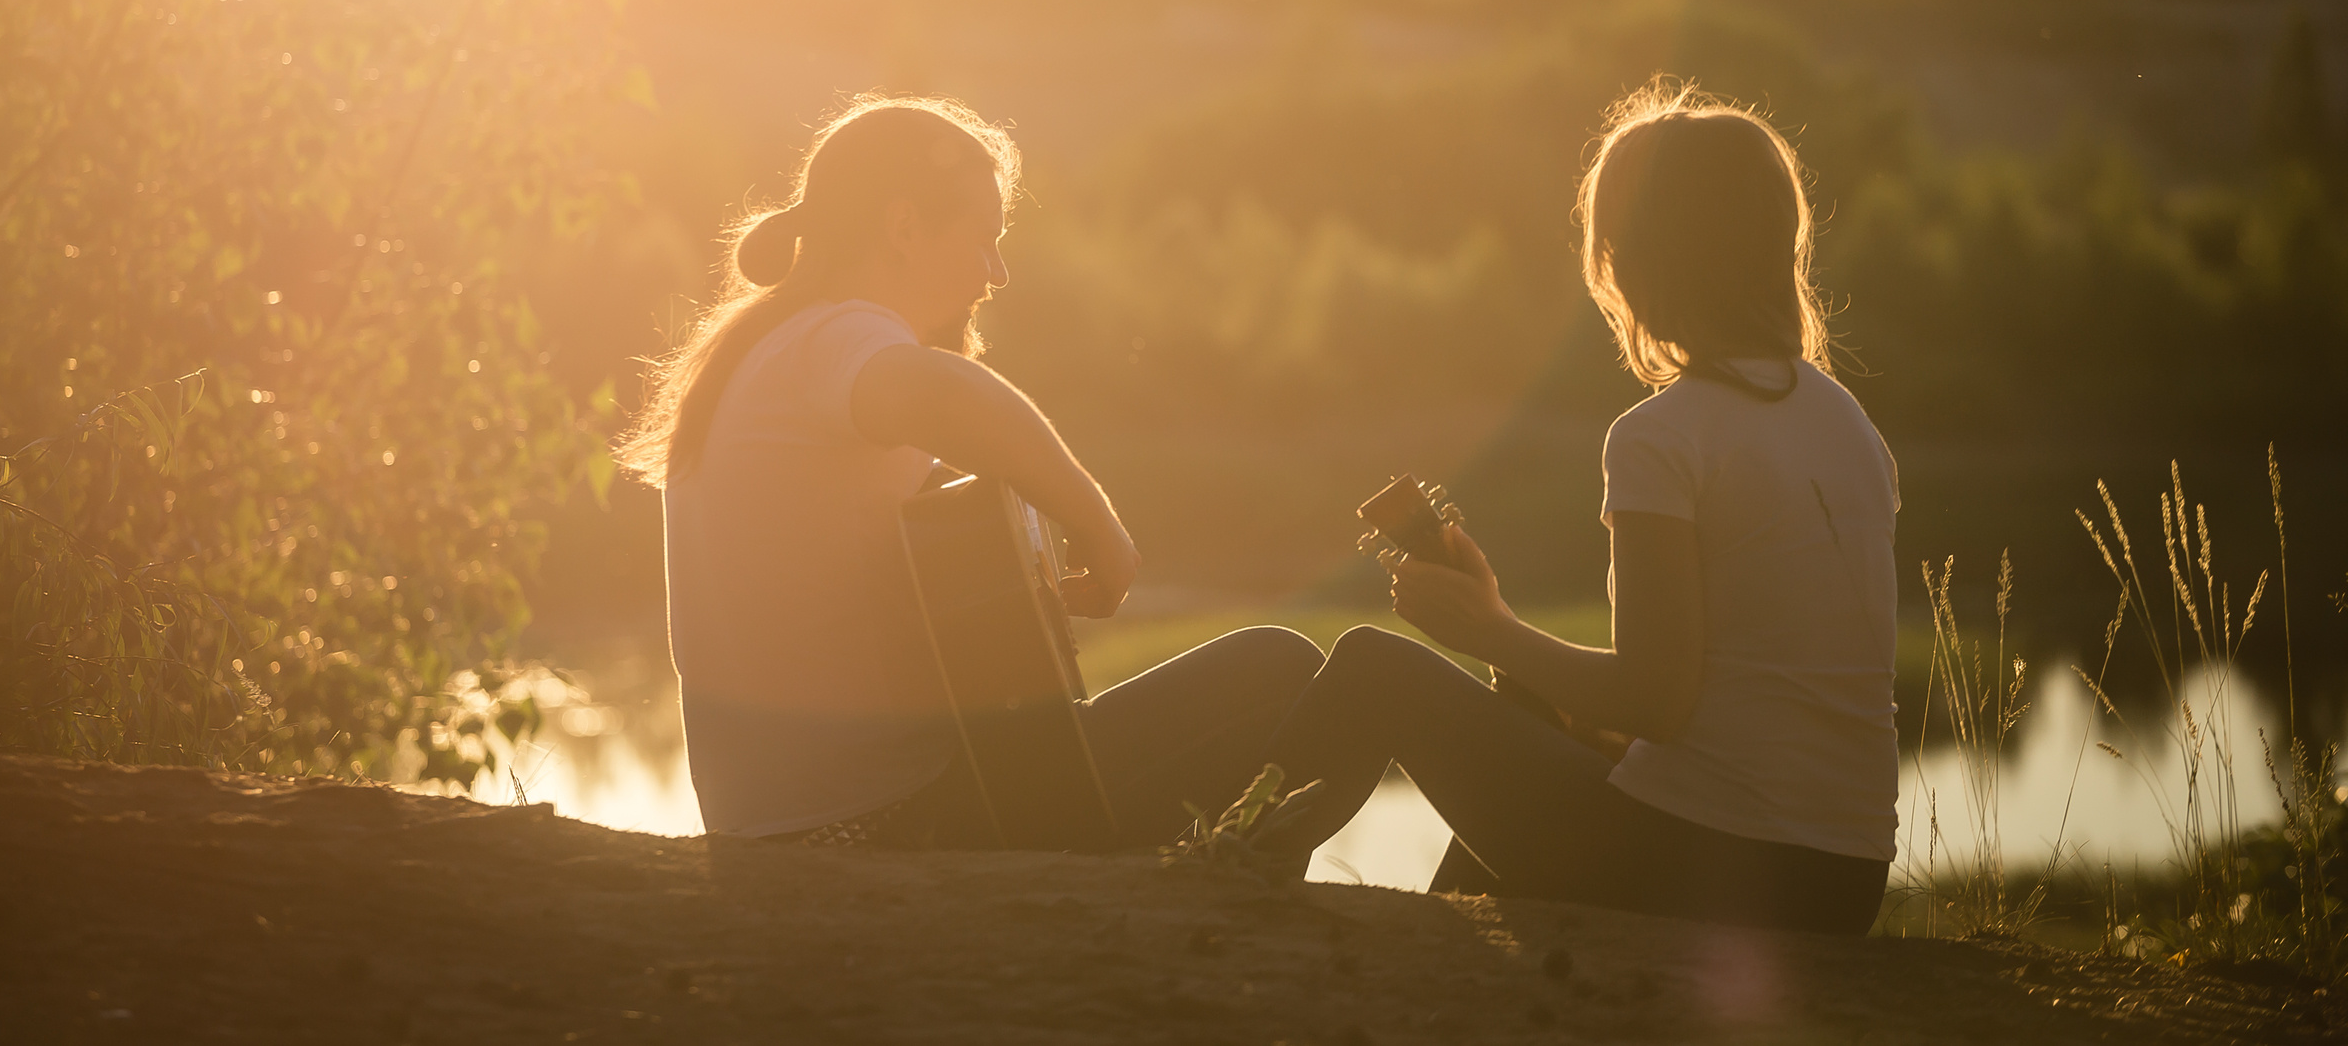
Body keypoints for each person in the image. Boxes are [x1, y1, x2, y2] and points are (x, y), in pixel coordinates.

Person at [1256, 81, 1901, 934]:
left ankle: (1222, 870)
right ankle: (1457, 950)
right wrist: (1518, 656)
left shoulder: (1660, 437)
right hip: (1842, 885)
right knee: (1526, 705)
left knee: (1374, 665)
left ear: (1637, 260)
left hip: (1704, 868)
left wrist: (1490, 630)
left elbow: (1653, 699)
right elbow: (1716, 694)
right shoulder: (1848, 424)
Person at [623, 94, 1321, 849]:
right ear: (903, 228)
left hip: (795, 823)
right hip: (889, 822)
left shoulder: (767, 345)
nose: (998, 272)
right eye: (986, 238)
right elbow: (946, 394)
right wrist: (1097, 523)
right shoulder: (840, 333)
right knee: (1280, 669)